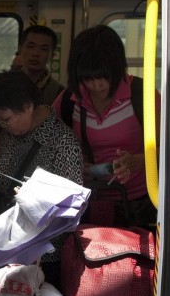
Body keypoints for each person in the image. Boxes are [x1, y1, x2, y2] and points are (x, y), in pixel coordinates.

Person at [0, 70, 84, 288]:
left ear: (28, 107)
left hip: (41, 255)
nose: (3, 126)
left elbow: (71, 209)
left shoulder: (62, 143)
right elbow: (5, 166)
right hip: (5, 240)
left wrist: (32, 198)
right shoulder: (11, 132)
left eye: (6, 120)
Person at [52, 24, 159, 229]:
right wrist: (72, 164)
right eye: (88, 78)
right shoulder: (69, 100)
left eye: (104, 77)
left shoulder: (141, 95)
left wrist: (137, 161)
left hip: (139, 205)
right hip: (87, 202)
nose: (96, 86)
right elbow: (47, 141)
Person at [0, 25, 64, 168]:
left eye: (44, 49)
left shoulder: (59, 93)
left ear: (52, 55)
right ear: (21, 48)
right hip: (8, 165)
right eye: (31, 46)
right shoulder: (5, 86)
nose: (36, 53)